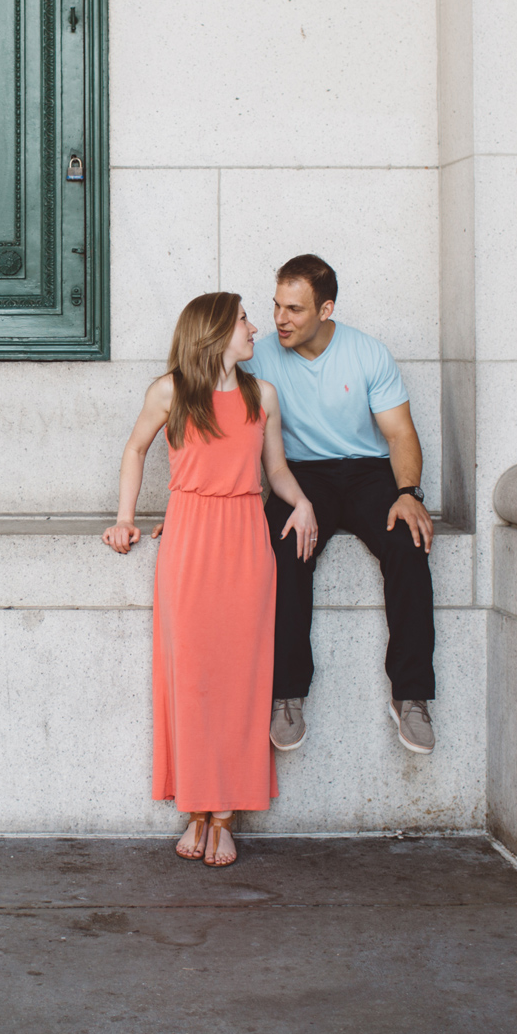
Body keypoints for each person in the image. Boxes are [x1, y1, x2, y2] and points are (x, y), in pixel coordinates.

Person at [104, 293, 318, 868]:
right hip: (190, 542)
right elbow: (135, 449)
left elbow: (274, 469)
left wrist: (302, 504)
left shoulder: (261, 395)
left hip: (246, 543)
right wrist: (125, 519)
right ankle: (196, 806)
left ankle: (224, 815)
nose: (255, 329)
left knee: (242, 680)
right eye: (245, 319)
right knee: (191, 677)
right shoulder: (171, 391)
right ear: (217, 331)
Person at [245, 254, 438, 755]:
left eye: (295, 309)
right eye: (275, 307)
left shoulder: (368, 353)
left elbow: (399, 434)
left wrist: (408, 493)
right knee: (285, 549)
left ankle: (412, 696)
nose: (280, 319)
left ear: (326, 309)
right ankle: (287, 693)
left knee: (408, 544)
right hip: (301, 476)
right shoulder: (261, 357)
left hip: (368, 471)